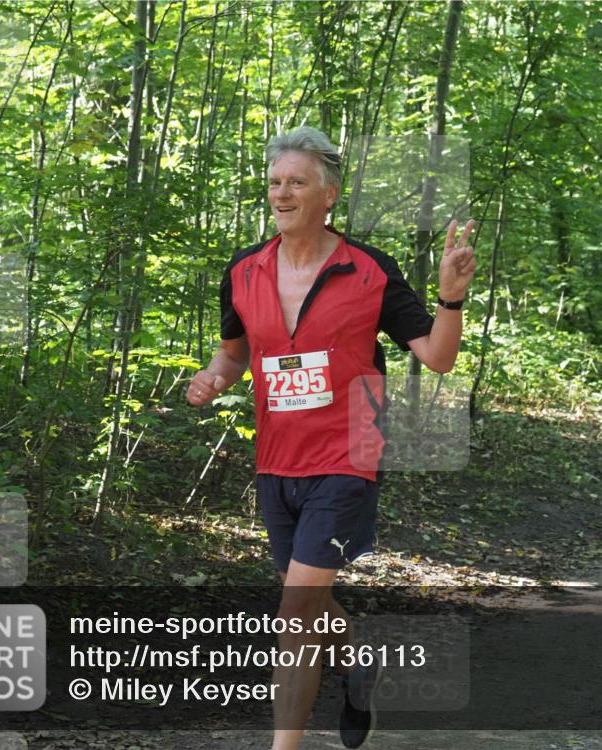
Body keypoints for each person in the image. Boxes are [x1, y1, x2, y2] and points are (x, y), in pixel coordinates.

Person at [186, 126, 475, 749]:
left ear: (329, 195)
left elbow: (438, 356)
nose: (281, 193)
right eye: (275, 182)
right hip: (277, 456)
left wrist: (450, 300)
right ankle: (358, 665)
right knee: (307, 601)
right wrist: (214, 377)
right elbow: (232, 353)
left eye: (297, 182)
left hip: (351, 449)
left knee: (294, 616)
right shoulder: (243, 271)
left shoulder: (369, 269)